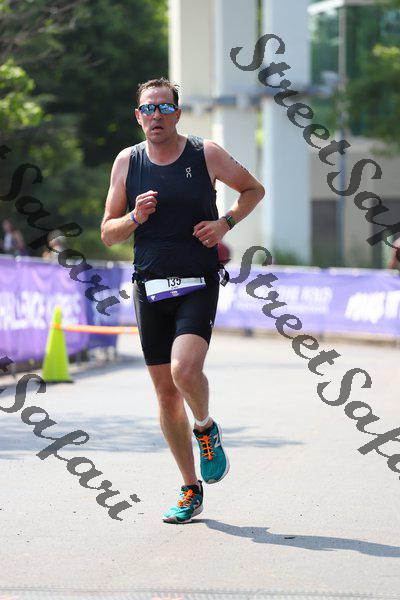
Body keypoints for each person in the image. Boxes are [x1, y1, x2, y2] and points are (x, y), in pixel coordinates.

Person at [101, 77, 265, 524]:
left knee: (184, 371)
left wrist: (225, 223)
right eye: (147, 109)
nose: (155, 115)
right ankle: (190, 488)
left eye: (163, 107)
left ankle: (205, 427)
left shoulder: (204, 153)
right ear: (138, 116)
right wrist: (135, 216)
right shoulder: (127, 162)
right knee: (166, 395)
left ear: (177, 112)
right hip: (149, 287)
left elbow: (253, 189)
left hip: (197, 281)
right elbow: (108, 231)